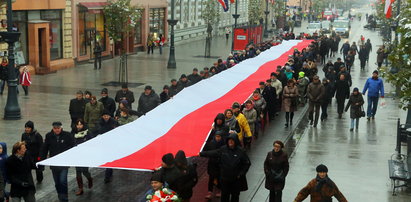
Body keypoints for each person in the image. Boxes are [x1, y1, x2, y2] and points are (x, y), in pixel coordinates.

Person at [200, 134, 251, 202]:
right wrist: (201, 153)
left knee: (235, 197)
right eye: (229, 141)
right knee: (224, 196)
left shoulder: (241, 151)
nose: (230, 142)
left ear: (235, 141)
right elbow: (213, 153)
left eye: (232, 141)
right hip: (225, 179)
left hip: (236, 180)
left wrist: (241, 174)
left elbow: (247, 163)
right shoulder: (223, 149)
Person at [41, 122, 75, 202]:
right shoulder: (49, 136)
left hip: (64, 163)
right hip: (54, 163)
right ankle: (60, 195)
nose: (57, 130)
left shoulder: (67, 135)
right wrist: (41, 160)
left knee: (63, 181)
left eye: (58, 128)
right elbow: (45, 149)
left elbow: (73, 146)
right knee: (57, 182)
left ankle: (64, 198)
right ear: (53, 128)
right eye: (55, 128)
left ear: (61, 128)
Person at [71, 119, 94, 195]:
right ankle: (80, 188)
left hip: (85, 155)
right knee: (78, 172)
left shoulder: (87, 133)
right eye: (78, 124)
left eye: (80, 124)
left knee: (84, 171)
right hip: (76, 155)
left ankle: (89, 179)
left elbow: (92, 143)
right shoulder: (73, 133)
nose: (79, 126)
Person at [95, 112, 119, 183]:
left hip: (112, 143)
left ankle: (107, 175)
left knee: (109, 158)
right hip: (104, 143)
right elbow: (99, 130)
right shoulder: (100, 122)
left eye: (107, 116)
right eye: (104, 116)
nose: (106, 117)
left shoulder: (113, 121)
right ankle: (109, 171)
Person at [204, 131, 225, 199]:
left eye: (219, 137)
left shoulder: (223, 144)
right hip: (212, 163)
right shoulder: (211, 143)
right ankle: (210, 191)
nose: (218, 138)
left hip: (219, 163)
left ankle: (219, 190)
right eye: (217, 136)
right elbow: (206, 151)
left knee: (219, 177)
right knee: (211, 178)